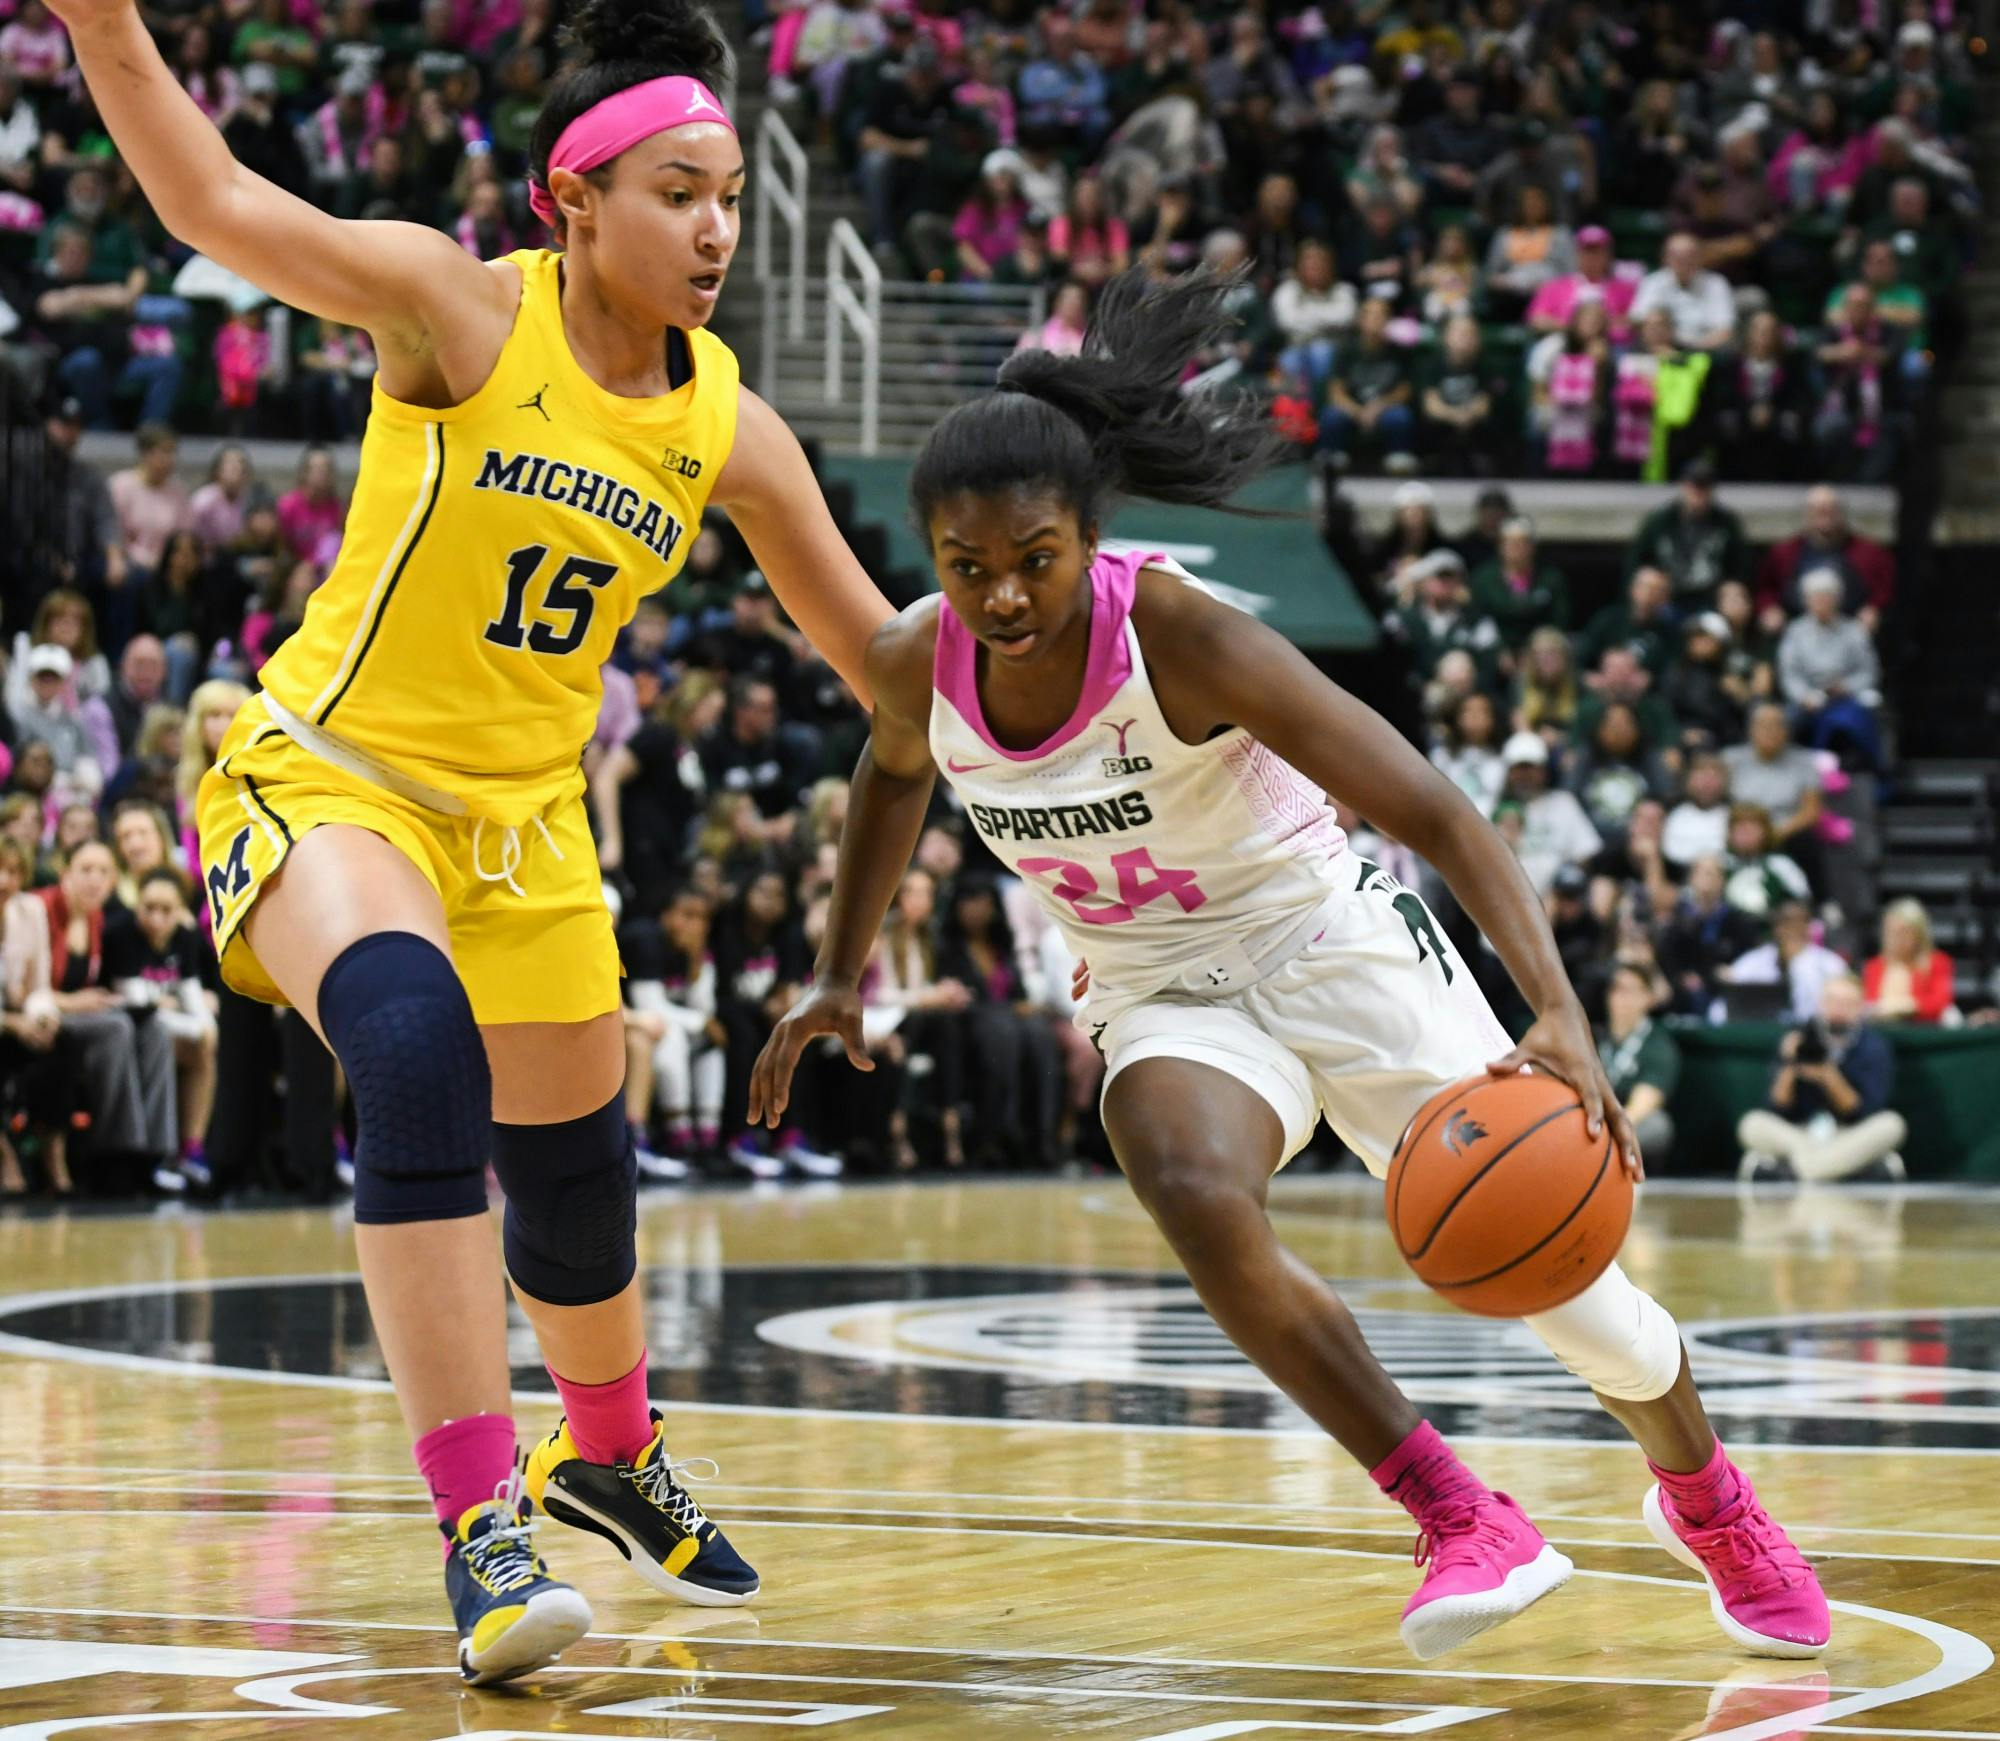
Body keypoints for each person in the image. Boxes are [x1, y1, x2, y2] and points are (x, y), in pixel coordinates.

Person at [750, 268, 1826, 1664]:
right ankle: (1459, 1512)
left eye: (1036, 557)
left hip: (1335, 941)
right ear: (932, 555)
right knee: (1187, 1180)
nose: (1005, 594)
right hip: (1160, 982)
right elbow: (891, 775)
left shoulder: (1184, 637)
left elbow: (1435, 806)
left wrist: (1558, 1011)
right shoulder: (915, 664)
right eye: (970, 567)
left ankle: (1707, 1494)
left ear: (1089, 535)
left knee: (1579, 1301)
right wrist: (842, 967)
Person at [49, 0, 895, 1685]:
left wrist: (1089, 636)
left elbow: (882, 662)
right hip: (331, 778)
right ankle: (482, 1527)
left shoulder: (725, 422)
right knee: (415, 1055)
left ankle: (609, 1453)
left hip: (529, 829)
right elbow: (216, 205)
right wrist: (104, 24)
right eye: (677, 191)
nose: (717, 227)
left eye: (730, 193)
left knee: (578, 1192)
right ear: (570, 201)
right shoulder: (455, 307)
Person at [1736, 975, 1906, 1182]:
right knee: (1752, 1124)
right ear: (1820, 1004)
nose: (1838, 1009)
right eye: (1832, 1001)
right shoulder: (1798, 1038)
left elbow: (1861, 1113)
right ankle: (1831, 1170)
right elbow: (1777, 1106)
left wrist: (1829, 1075)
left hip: (1847, 1136)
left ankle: (1800, 1172)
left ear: (1860, 1008)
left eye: (1847, 1003)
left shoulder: (1873, 1046)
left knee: (1892, 1125)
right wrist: (1790, 1063)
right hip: (1799, 1135)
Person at [1597, 961, 1677, 1166]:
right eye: (1616, 989)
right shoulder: (1594, 1038)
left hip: (1625, 1122)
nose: (1620, 997)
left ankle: (1603, 1157)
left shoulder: (1657, 1045)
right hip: (1592, 1117)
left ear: (1648, 998)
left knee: (1657, 1125)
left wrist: (1605, 1133)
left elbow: (1642, 1105)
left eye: (1630, 990)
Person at [1723, 899, 1848, 1023]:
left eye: (1799, 922)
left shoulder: (1829, 963)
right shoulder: (1755, 960)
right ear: (1776, 927)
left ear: (1808, 927)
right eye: (1785, 923)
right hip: (1758, 1032)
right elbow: (1728, 998)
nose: (1792, 929)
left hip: (1813, 1035)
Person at [1862, 898, 1954, 1025]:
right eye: (1891, 932)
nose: (1895, 938)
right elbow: (1868, 1003)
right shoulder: (1874, 966)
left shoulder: (1937, 962)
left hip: (1923, 1029)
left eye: (1903, 932)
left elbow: (1940, 1002)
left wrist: (1906, 1006)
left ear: (1919, 934)